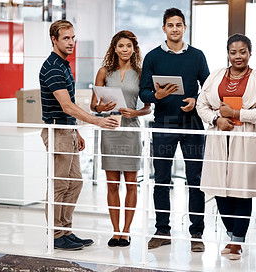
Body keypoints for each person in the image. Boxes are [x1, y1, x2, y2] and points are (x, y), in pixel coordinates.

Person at [39, 20, 120, 251]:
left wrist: (76, 131)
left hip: (67, 130)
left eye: (73, 38)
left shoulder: (64, 64)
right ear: (54, 39)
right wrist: (96, 120)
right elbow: (66, 105)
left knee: (74, 183)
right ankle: (56, 235)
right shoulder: (53, 67)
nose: (72, 42)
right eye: (66, 38)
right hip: (57, 131)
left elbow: (69, 105)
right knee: (59, 184)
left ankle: (65, 230)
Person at [139, 7, 209, 252]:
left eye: (179, 25)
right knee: (161, 179)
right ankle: (162, 230)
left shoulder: (197, 56)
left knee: (196, 180)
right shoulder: (152, 57)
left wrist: (196, 100)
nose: (175, 29)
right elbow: (143, 92)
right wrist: (155, 95)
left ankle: (197, 233)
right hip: (164, 124)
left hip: (193, 125)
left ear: (185, 28)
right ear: (164, 28)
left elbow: (208, 89)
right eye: (171, 25)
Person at [196, 34, 256, 260]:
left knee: (241, 191)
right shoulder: (216, 76)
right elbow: (202, 104)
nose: (238, 56)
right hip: (219, 137)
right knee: (219, 189)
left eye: (242, 52)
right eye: (233, 52)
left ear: (250, 53)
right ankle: (231, 234)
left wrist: (236, 113)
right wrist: (216, 119)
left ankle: (237, 241)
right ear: (228, 53)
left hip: (245, 139)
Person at [90, 30, 151, 247]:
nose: (125, 50)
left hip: (131, 130)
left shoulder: (142, 73)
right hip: (111, 128)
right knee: (113, 185)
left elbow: (147, 108)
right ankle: (115, 231)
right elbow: (93, 105)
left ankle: (126, 231)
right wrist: (101, 107)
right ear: (114, 48)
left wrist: (136, 113)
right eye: (121, 46)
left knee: (132, 184)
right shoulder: (104, 72)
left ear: (134, 49)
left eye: (129, 46)